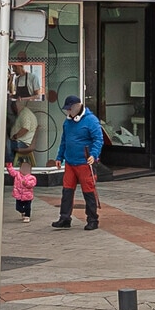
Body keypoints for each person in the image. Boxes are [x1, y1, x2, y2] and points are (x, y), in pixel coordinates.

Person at [51, 96, 104, 230]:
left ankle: (92, 219)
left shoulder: (91, 121)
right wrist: (59, 157)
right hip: (70, 162)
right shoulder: (67, 122)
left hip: (85, 162)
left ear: (76, 106)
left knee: (89, 192)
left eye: (69, 109)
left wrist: (94, 154)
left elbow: (98, 139)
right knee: (67, 191)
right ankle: (65, 218)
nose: (68, 112)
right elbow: (64, 141)